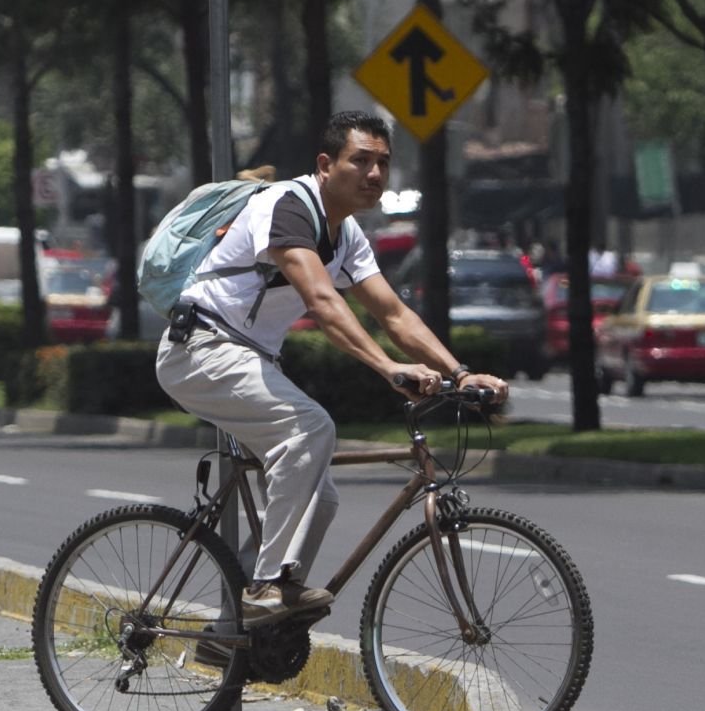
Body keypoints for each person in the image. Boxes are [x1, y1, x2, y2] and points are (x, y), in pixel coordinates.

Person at [155, 111, 510, 627]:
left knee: (318, 496)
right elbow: (322, 302)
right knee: (311, 427)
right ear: (326, 164)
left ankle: (232, 628)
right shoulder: (287, 207)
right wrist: (389, 368)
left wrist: (459, 373)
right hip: (200, 349)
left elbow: (393, 313)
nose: (374, 174)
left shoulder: (345, 236)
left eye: (383, 163)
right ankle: (263, 587)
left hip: (242, 357)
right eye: (360, 160)